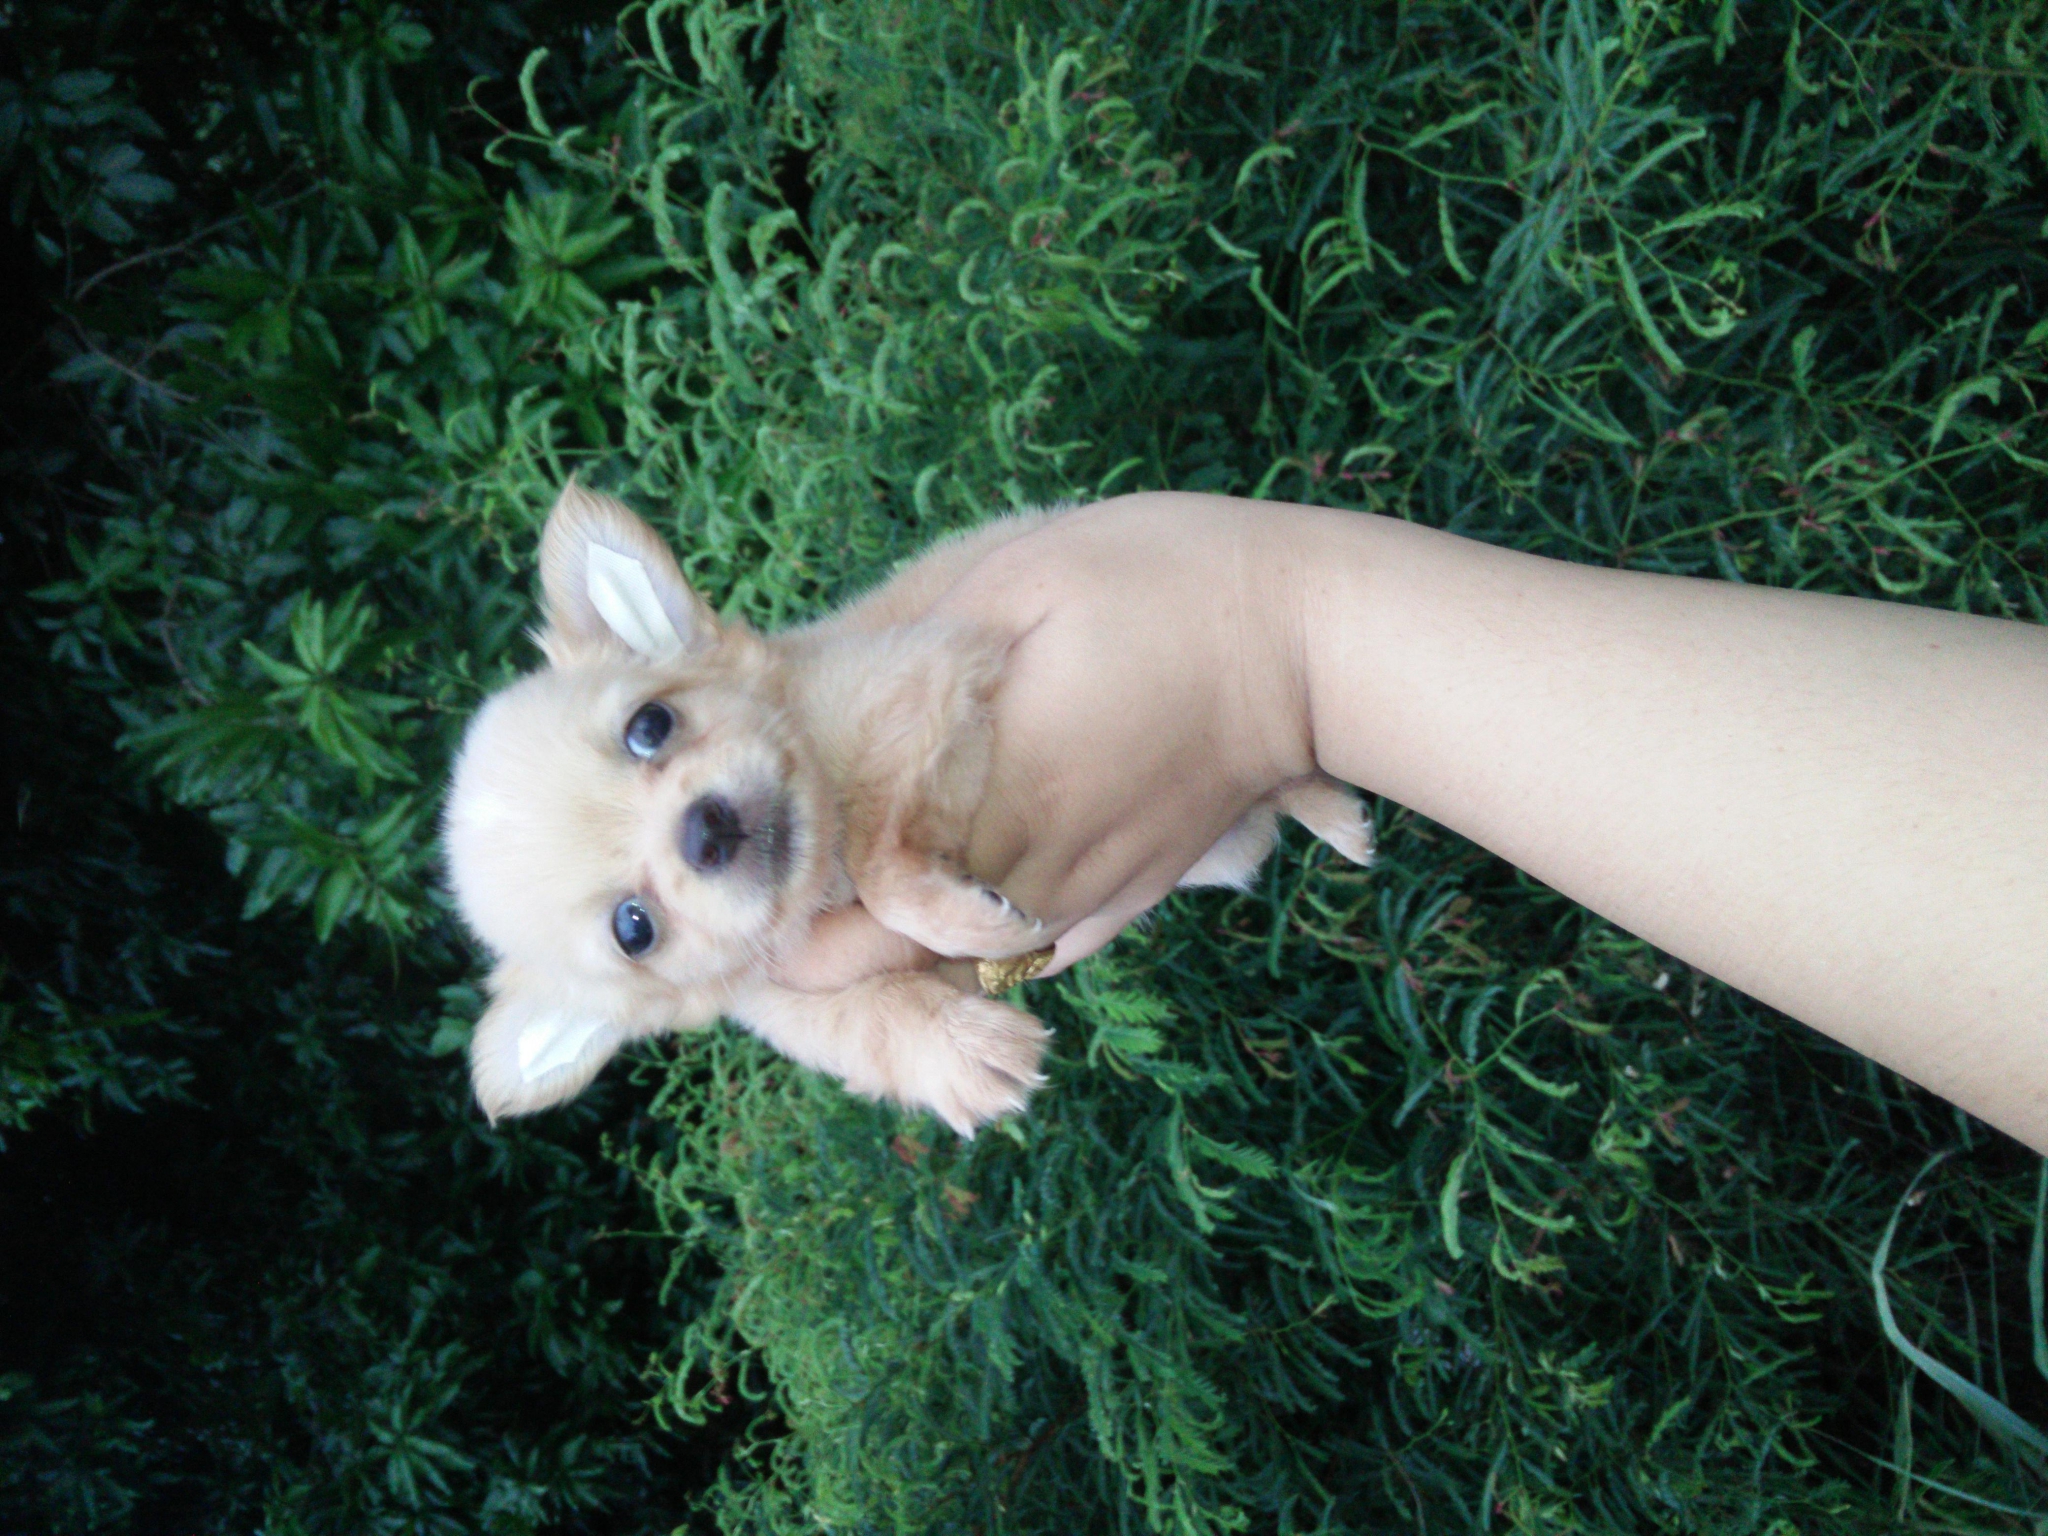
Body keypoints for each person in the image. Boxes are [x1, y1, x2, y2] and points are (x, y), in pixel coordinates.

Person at [769, 493, 2048, 1153]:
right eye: (653, 921)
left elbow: (914, 687)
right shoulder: (776, 975)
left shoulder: (806, 711)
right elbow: (868, 1015)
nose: (699, 827)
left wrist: (1260, 651)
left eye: (665, 725)